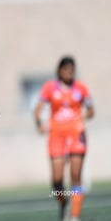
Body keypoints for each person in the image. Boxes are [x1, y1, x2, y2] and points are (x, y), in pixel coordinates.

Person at [34, 56, 94, 221]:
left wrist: (84, 117)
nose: (69, 73)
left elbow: (91, 110)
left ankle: (74, 216)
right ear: (59, 71)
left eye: (71, 71)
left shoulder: (81, 88)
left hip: (76, 135)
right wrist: (39, 123)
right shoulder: (50, 88)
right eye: (66, 70)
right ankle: (63, 201)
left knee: (76, 175)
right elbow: (38, 110)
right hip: (56, 136)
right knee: (57, 181)